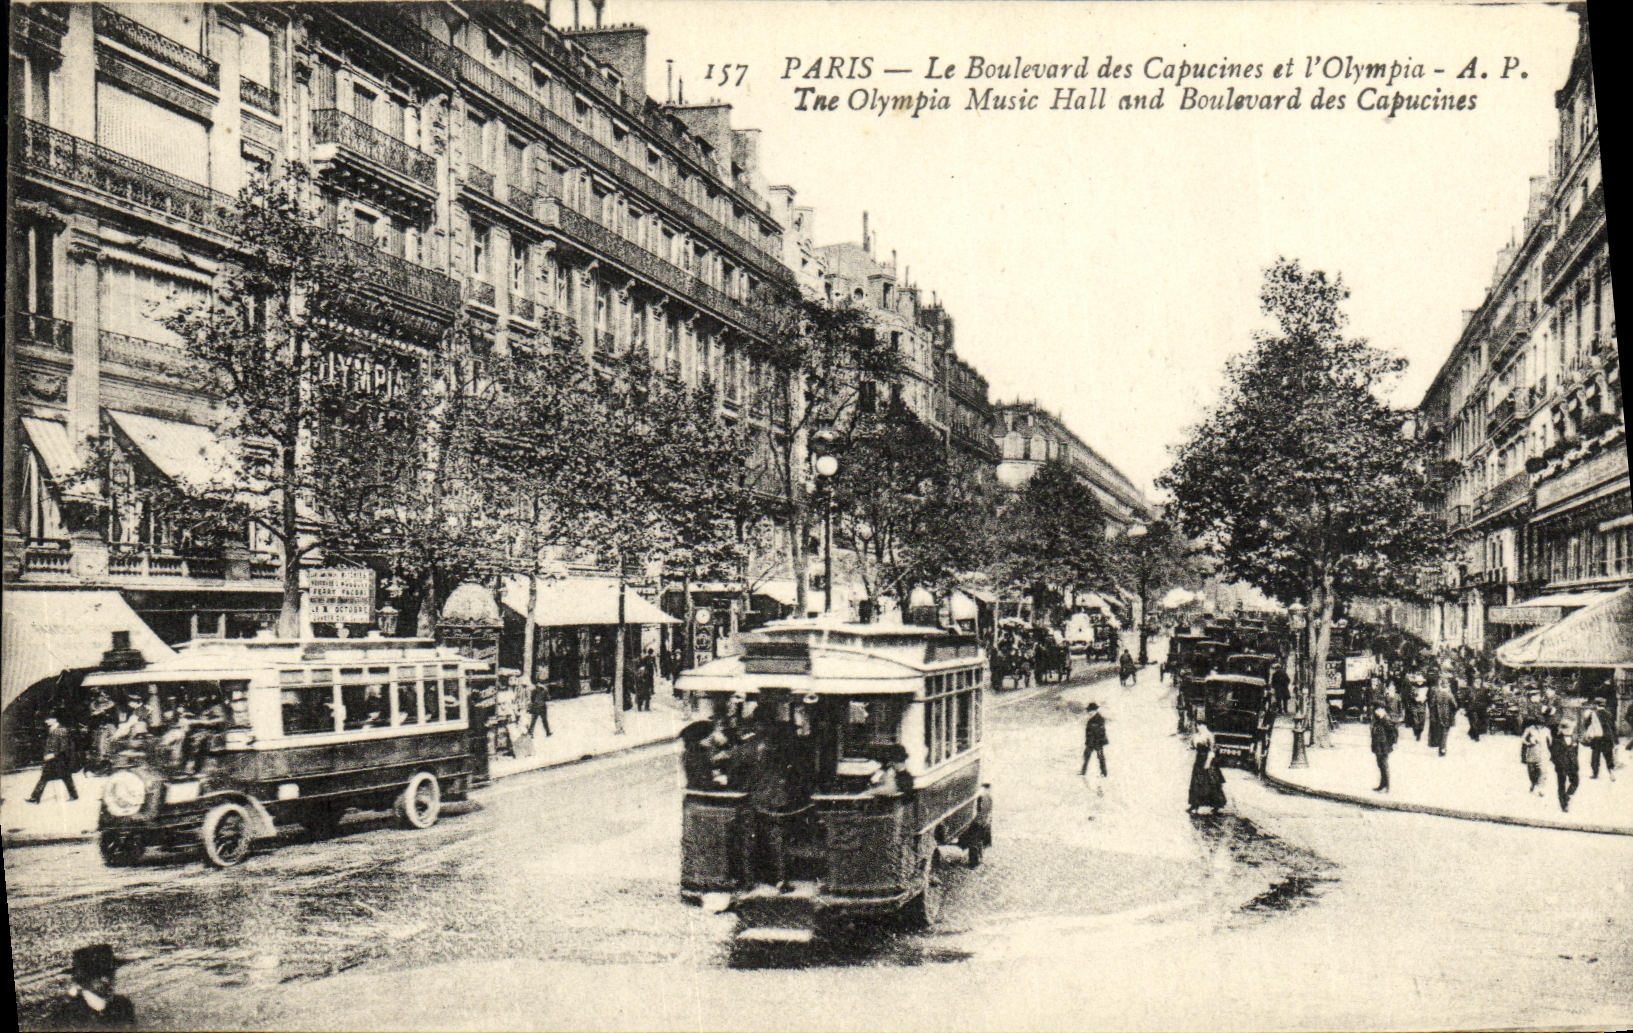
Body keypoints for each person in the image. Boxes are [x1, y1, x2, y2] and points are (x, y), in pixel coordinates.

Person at [40, 944, 135, 1029]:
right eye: (98, 975)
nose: (107, 979)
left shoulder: (123, 1007)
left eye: (111, 973)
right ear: (83, 979)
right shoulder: (70, 1014)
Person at [27, 715, 79, 804]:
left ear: (55, 719)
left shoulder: (61, 730)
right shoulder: (52, 729)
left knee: (63, 777)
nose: (46, 721)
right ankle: (35, 798)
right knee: (58, 777)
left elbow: (64, 747)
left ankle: (35, 798)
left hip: (60, 759)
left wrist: (53, 755)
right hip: (54, 760)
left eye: (48, 719)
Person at [1186, 723, 1227, 814]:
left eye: (1201, 726)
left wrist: (1208, 762)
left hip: (1207, 760)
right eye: (1198, 726)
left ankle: (1216, 805)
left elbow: (1212, 750)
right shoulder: (1196, 736)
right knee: (1196, 783)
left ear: (1204, 726)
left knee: (1211, 782)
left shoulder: (1209, 735)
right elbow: (1192, 747)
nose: (1199, 727)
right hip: (1198, 760)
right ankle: (1194, 805)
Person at [1549, 719, 1581, 813]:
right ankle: (1564, 805)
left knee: (1575, 782)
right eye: (1567, 728)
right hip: (1561, 765)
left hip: (1572, 764)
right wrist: (1558, 763)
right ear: (1562, 729)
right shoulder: (1556, 740)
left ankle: (1567, 796)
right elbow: (1554, 754)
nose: (1570, 730)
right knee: (1561, 785)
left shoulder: (1574, 738)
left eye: (1570, 728)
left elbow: (1576, 752)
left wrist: (1575, 762)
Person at [1583, 697, 1616, 781]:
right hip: (1608, 737)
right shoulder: (1609, 714)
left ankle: (1595, 773)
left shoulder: (1593, 714)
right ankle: (1611, 771)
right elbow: (1613, 727)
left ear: (1596, 705)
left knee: (1595, 756)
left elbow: (1586, 725)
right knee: (1608, 755)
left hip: (1597, 738)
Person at [1520, 718, 1551, 796]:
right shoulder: (1530, 729)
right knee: (1532, 772)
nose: (1540, 726)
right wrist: (1529, 742)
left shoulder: (1546, 730)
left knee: (1543, 772)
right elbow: (1523, 739)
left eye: (1541, 724)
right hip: (1532, 753)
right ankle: (1533, 783)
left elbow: (1550, 741)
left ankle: (1541, 789)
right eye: (1538, 724)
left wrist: (1548, 746)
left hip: (1543, 753)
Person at [1369, 705, 1397, 793]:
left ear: (1382, 710)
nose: (1376, 712)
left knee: (1384, 765)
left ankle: (1387, 786)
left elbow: (1393, 733)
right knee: (1380, 764)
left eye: (1378, 709)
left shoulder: (1386, 719)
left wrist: (1390, 744)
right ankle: (1382, 784)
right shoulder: (1377, 719)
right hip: (1378, 746)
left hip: (1384, 746)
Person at [1427, 677, 1457, 757]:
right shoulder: (1449, 694)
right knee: (1445, 733)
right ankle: (1442, 748)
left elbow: (1432, 705)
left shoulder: (1436, 693)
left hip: (1437, 716)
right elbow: (1455, 705)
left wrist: (1433, 715)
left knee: (1439, 732)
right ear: (1447, 685)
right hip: (1447, 716)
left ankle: (1441, 747)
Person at [1080, 702, 1109, 778]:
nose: (1089, 713)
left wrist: (1099, 742)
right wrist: (1087, 742)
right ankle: (1083, 772)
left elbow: (1101, 732)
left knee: (1100, 757)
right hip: (1091, 742)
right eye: (1088, 711)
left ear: (1094, 711)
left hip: (1097, 742)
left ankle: (1104, 773)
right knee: (1086, 756)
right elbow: (1089, 733)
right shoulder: (1092, 719)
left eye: (1090, 711)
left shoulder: (1099, 719)